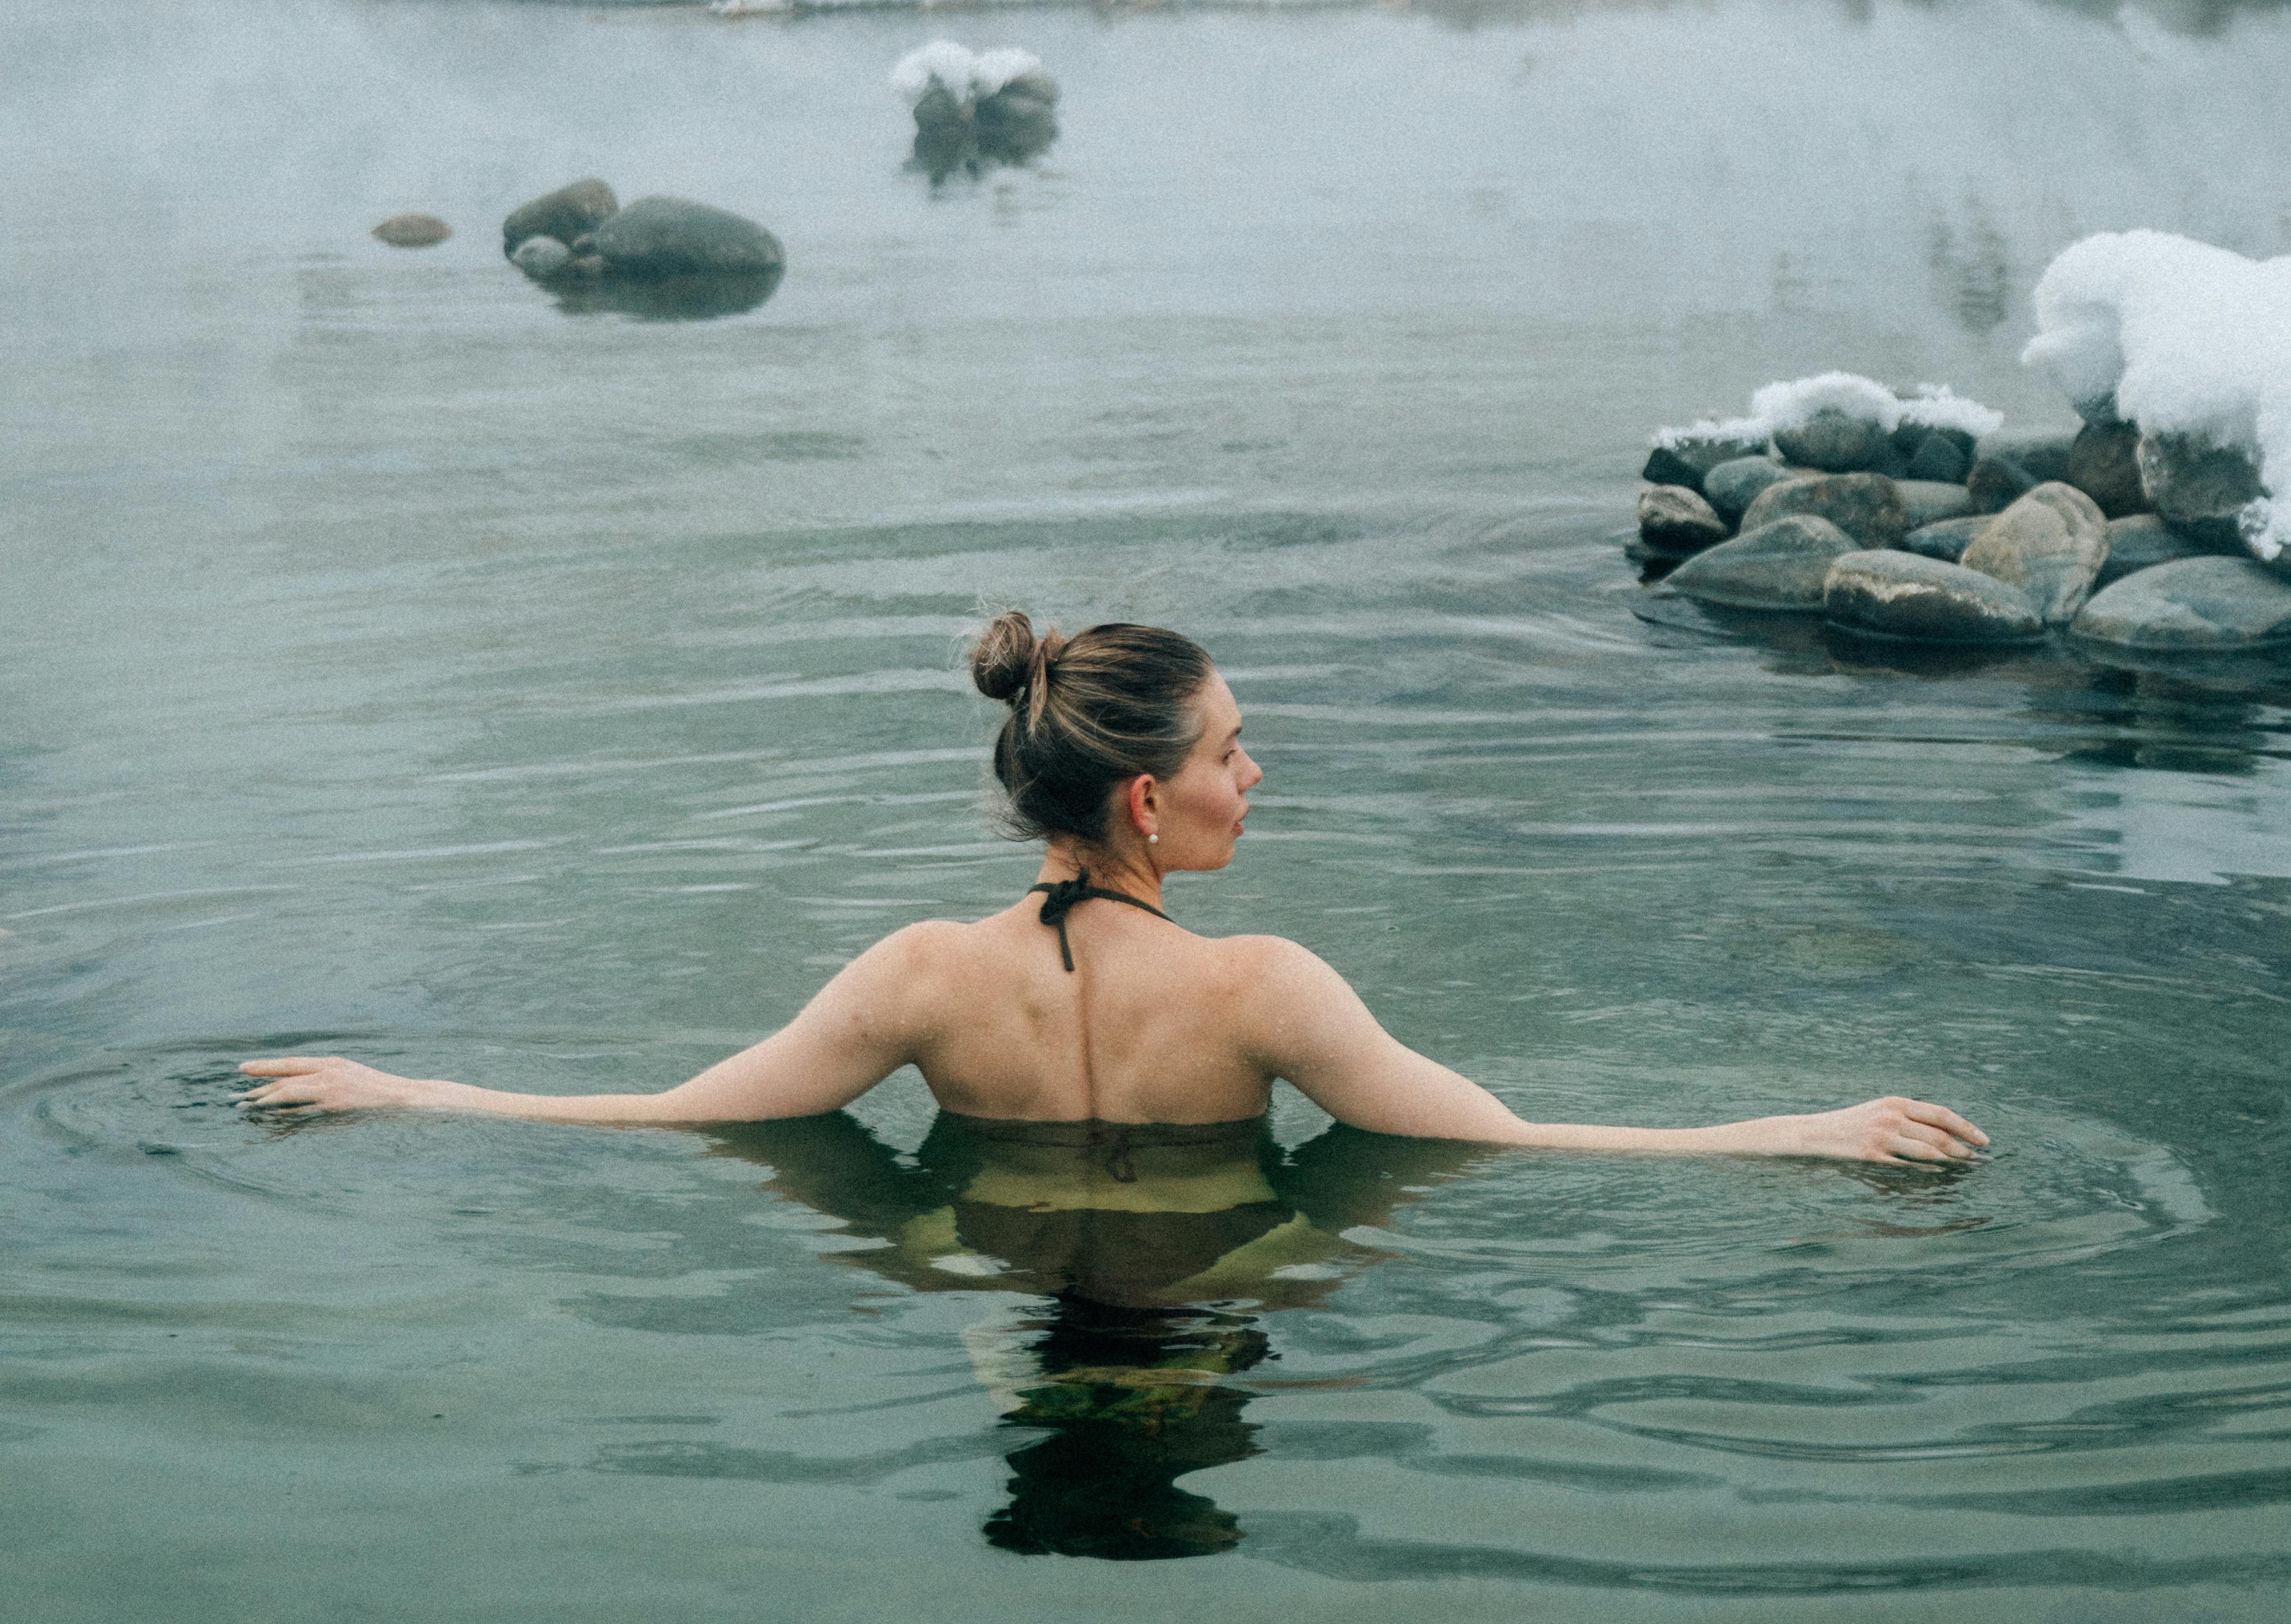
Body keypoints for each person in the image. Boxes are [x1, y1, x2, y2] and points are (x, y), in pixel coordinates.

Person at [240, 612, 1989, 1164]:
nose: (1259, 774)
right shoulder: (1265, 994)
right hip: (1213, 1295)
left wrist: (411, 1090)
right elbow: (1507, 1145)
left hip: (993, 1289)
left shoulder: (923, 977)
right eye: (1237, 750)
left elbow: (677, 1114)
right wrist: (1800, 1131)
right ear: (1149, 801)